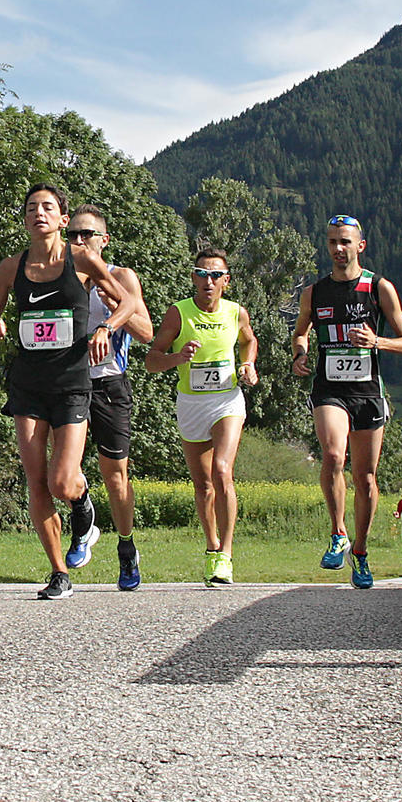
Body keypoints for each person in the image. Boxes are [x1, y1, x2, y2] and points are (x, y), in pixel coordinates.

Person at [0, 185, 125, 600]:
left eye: (48, 207)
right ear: (25, 219)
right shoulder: (10, 268)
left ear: (63, 220)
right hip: (28, 383)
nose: (38, 213)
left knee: (62, 481)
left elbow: (129, 302)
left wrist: (106, 327)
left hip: (71, 385)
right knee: (36, 480)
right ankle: (58, 571)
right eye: (31, 208)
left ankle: (82, 507)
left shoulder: (82, 259)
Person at [291, 214, 402, 590]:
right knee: (332, 456)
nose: (338, 249)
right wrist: (299, 353)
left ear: (360, 246)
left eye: (345, 242)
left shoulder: (378, 288)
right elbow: (301, 331)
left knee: (365, 477)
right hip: (330, 388)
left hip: (367, 392)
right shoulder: (315, 292)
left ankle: (359, 551)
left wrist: (376, 342)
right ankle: (338, 533)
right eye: (332, 242)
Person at [145, 247, 259, 585]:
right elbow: (152, 361)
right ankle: (211, 549)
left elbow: (249, 341)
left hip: (227, 400)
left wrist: (248, 364)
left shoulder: (236, 312)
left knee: (223, 471)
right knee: (203, 483)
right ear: (193, 278)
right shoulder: (178, 314)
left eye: (214, 275)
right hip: (191, 403)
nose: (207, 281)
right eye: (200, 273)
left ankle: (227, 553)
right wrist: (178, 357)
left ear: (226, 281)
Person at [69, 206, 153, 591]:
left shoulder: (120, 276)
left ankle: (126, 545)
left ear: (103, 240)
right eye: (72, 234)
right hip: (70, 385)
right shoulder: (60, 277)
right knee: (65, 471)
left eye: (86, 234)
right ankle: (83, 518)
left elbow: (147, 332)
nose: (78, 241)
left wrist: (114, 308)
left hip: (111, 384)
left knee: (115, 476)